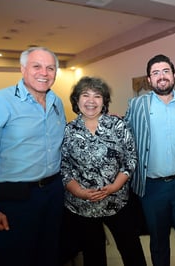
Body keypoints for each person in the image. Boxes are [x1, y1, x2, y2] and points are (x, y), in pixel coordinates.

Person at [0, 47, 67, 266]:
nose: (44, 72)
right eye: (37, 66)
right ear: (23, 69)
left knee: (49, 255)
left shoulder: (56, 102)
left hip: (53, 193)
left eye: (50, 68)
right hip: (16, 199)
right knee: (17, 258)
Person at [59, 76, 146, 266]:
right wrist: (79, 192)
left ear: (104, 101)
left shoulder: (118, 126)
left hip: (118, 202)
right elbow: (64, 167)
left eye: (97, 96)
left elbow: (131, 158)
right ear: (76, 100)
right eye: (85, 95)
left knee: (132, 252)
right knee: (93, 256)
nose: (91, 101)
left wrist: (115, 186)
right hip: (83, 207)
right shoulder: (68, 131)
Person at [124, 54, 175, 266]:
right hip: (152, 187)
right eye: (155, 73)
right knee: (158, 241)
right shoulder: (137, 105)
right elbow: (124, 137)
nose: (161, 77)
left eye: (166, 71)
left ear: (174, 75)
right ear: (149, 79)